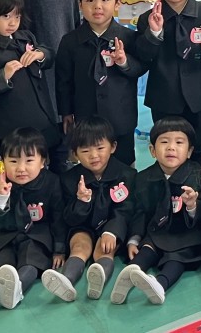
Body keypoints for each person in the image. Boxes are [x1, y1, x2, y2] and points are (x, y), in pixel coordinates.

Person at [112, 117, 201, 306]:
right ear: (152, 151)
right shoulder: (143, 178)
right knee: (146, 249)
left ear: (189, 151)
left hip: (186, 234)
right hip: (156, 232)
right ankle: (128, 277)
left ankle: (159, 285)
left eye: (179, 142)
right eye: (164, 142)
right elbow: (140, 212)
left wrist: (192, 206)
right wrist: (134, 239)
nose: (171, 148)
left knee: (176, 259)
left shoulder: (199, 175)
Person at [56, 0, 146, 166]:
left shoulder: (129, 38)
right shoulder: (70, 41)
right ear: (80, 5)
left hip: (121, 118)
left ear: (117, 4)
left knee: (124, 166)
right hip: (85, 116)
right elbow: (63, 80)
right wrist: (66, 112)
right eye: (89, 0)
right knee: (90, 164)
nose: (97, 6)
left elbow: (139, 69)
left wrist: (124, 61)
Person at [41, 117, 136, 302]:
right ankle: (66, 281)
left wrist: (112, 231)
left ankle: (98, 279)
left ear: (113, 147)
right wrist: (82, 201)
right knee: (79, 246)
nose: (93, 155)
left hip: (111, 226)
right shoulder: (68, 179)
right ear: (75, 154)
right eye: (85, 150)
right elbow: (68, 218)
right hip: (83, 225)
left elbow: (125, 210)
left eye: (100, 148)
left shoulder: (127, 175)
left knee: (105, 249)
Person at [134, 0, 201, 167]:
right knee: (168, 151)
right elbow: (143, 57)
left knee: (198, 147)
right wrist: (154, 33)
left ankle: (199, 185)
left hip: (198, 96)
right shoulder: (146, 19)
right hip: (163, 97)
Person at [0, 0, 62, 171]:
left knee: (52, 164)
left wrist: (40, 54)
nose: (12, 23)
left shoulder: (25, 37)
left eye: (17, 16)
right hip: (14, 125)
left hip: (43, 117)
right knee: (21, 170)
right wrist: (2, 76)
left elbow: (50, 55)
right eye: (6, 16)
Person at [0, 127, 66, 312]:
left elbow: (58, 218)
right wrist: (1, 198)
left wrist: (59, 249)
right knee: (3, 261)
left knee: (31, 261)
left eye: (29, 161)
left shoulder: (52, 182)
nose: (21, 168)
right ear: (2, 161)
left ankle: (17, 288)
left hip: (37, 235)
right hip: (6, 234)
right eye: (13, 161)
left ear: (43, 161)